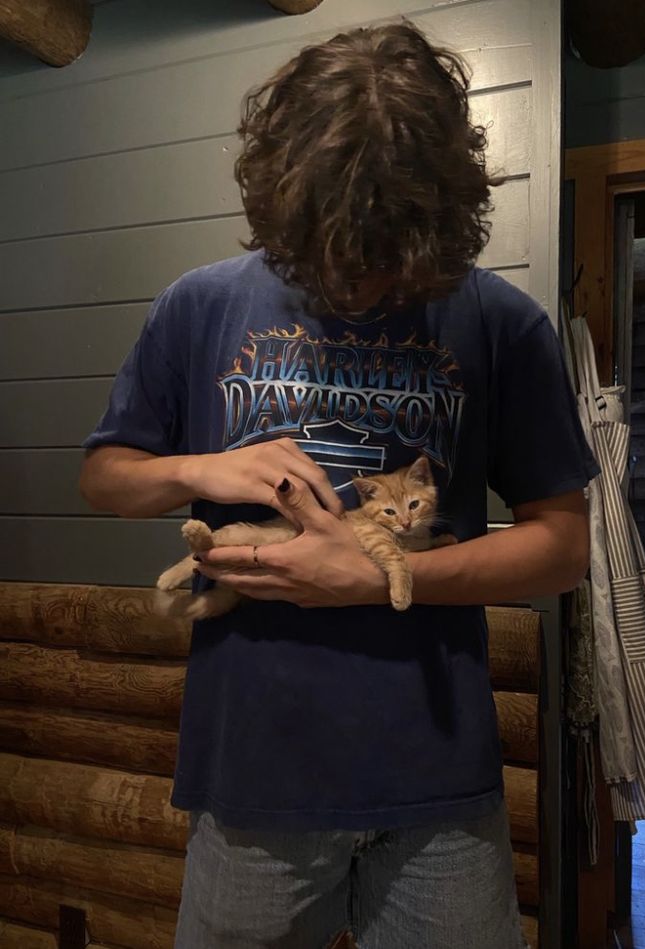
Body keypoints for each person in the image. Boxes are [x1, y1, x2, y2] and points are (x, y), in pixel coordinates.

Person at [79, 20, 600, 949]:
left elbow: (563, 545)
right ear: (280, 200)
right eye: (329, 254)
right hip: (251, 786)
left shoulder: (499, 323)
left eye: (382, 258)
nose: (355, 284)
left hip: (436, 792)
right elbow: (106, 479)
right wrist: (204, 468)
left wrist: (376, 577)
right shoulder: (197, 307)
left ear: (439, 215)